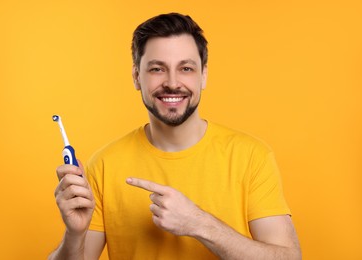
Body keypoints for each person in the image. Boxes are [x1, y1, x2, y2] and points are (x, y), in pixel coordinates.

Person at [49, 13, 301, 260]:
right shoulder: (104, 164)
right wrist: (74, 234)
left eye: (186, 68)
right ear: (137, 76)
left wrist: (200, 224)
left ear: (203, 75)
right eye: (158, 69)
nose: (172, 82)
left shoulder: (251, 157)